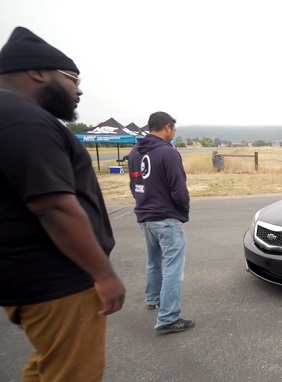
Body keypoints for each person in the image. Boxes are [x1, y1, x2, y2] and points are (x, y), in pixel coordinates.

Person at [0, 27, 125, 381]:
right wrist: (103, 275)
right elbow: (52, 207)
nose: (80, 89)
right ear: (38, 72)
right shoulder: (25, 120)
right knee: (73, 373)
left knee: (47, 364)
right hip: (59, 282)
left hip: (30, 279)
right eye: (73, 79)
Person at [128, 111, 194, 334]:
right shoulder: (168, 153)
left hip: (145, 216)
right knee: (173, 268)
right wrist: (182, 211)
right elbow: (179, 189)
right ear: (167, 127)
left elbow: (134, 185)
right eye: (173, 129)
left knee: (153, 261)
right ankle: (168, 317)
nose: (174, 133)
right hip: (166, 218)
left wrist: (143, 204)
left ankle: (153, 298)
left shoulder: (135, 152)